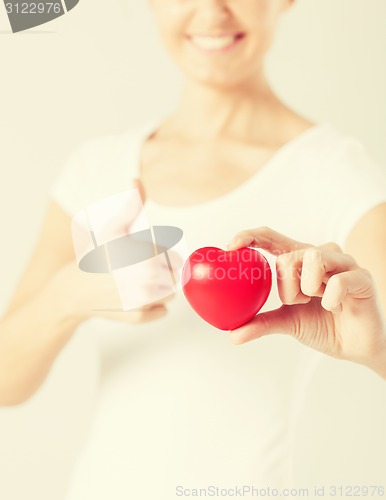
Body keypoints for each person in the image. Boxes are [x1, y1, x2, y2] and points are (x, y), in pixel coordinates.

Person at [1, 0, 386, 498]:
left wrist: (377, 348)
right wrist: (69, 295)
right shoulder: (97, 170)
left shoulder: (335, 172)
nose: (211, 10)